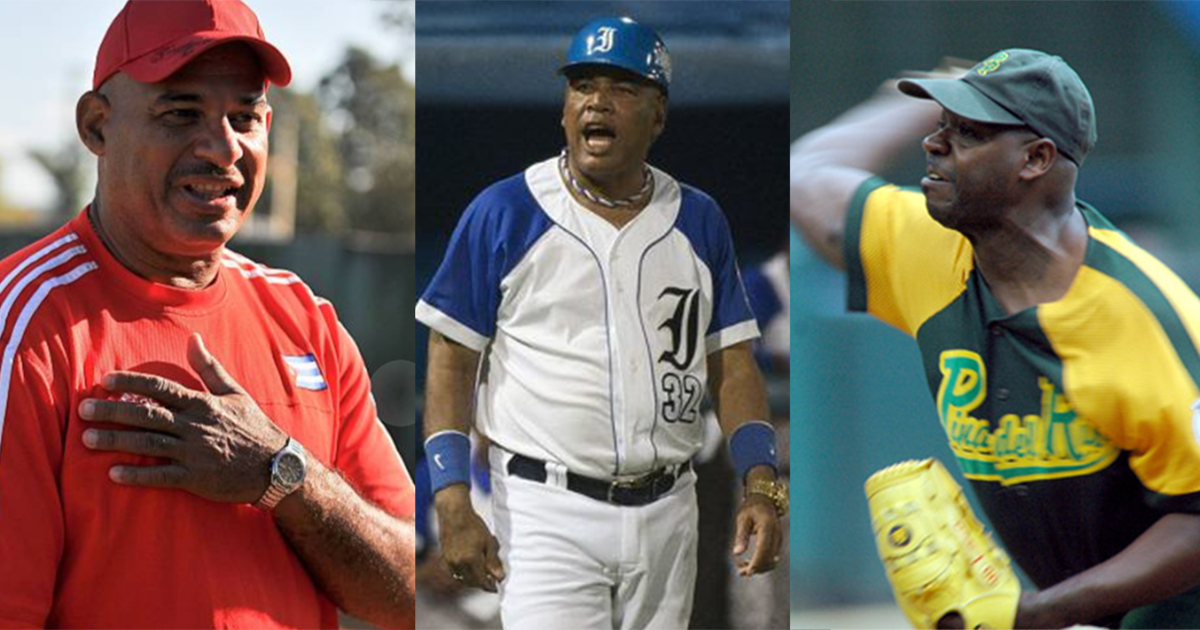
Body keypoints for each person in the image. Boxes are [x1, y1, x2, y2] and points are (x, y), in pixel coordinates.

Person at [0, 1, 415, 628]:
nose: (223, 148)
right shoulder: (24, 323)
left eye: (245, 117)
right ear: (97, 126)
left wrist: (282, 475)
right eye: (181, 113)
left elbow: (410, 593)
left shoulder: (306, 321)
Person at [791, 48, 1200, 629]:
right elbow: (807, 172)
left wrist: (1039, 613)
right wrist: (929, 92)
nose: (935, 144)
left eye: (968, 133)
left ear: (1035, 159)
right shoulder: (929, 251)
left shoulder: (1140, 316)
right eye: (940, 126)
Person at [417, 16, 787, 630]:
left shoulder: (698, 219)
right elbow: (450, 356)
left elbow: (732, 361)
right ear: (565, 108)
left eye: (622, 88)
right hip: (546, 508)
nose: (596, 101)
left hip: (671, 505)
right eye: (582, 85)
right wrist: (452, 495)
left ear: (658, 114)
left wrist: (761, 483)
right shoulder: (505, 211)